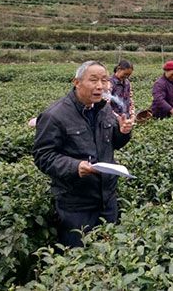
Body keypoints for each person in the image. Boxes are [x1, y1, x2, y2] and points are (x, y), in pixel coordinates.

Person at [33, 61, 135, 248]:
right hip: (76, 204)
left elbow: (113, 143)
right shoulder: (54, 115)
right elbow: (43, 156)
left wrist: (123, 132)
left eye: (104, 80)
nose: (100, 86)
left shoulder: (104, 109)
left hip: (107, 199)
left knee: (109, 252)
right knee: (78, 255)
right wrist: (74, 166)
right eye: (93, 80)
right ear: (77, 82)